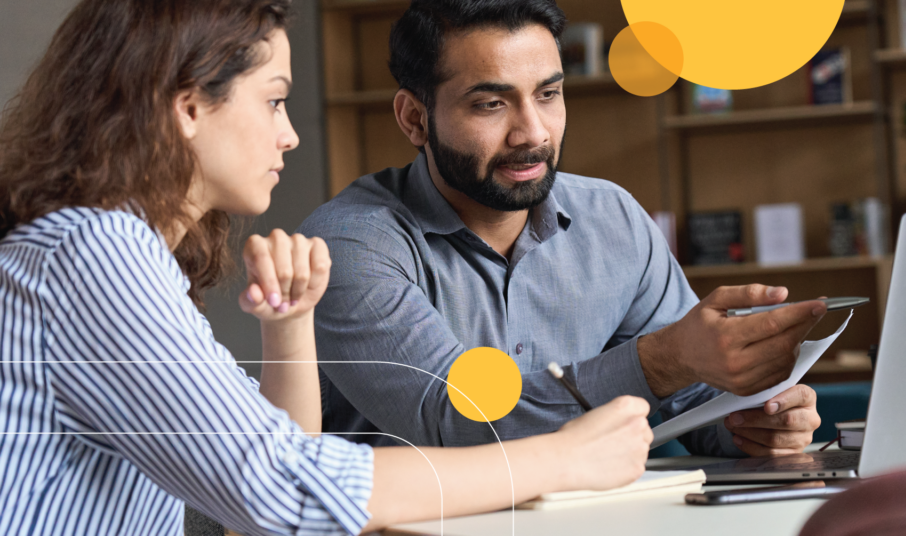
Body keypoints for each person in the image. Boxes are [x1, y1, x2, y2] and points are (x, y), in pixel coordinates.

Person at [0, 1, 655, 534]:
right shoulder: (94, 252)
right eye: (274, 100)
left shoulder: (102, 254)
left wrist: (289, 328)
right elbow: (283, 490)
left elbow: (263, 497)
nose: (290, 135)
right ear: (190, 106)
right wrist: (562, 458)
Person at [298, 0, 824, 458]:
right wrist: (664, 360)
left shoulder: (612, 219)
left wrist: (757, 420)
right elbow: (451, 422)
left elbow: (695, 401)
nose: (532, 133)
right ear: (414, 118)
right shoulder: (352, 244)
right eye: (491, 104)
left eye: (547, 95)